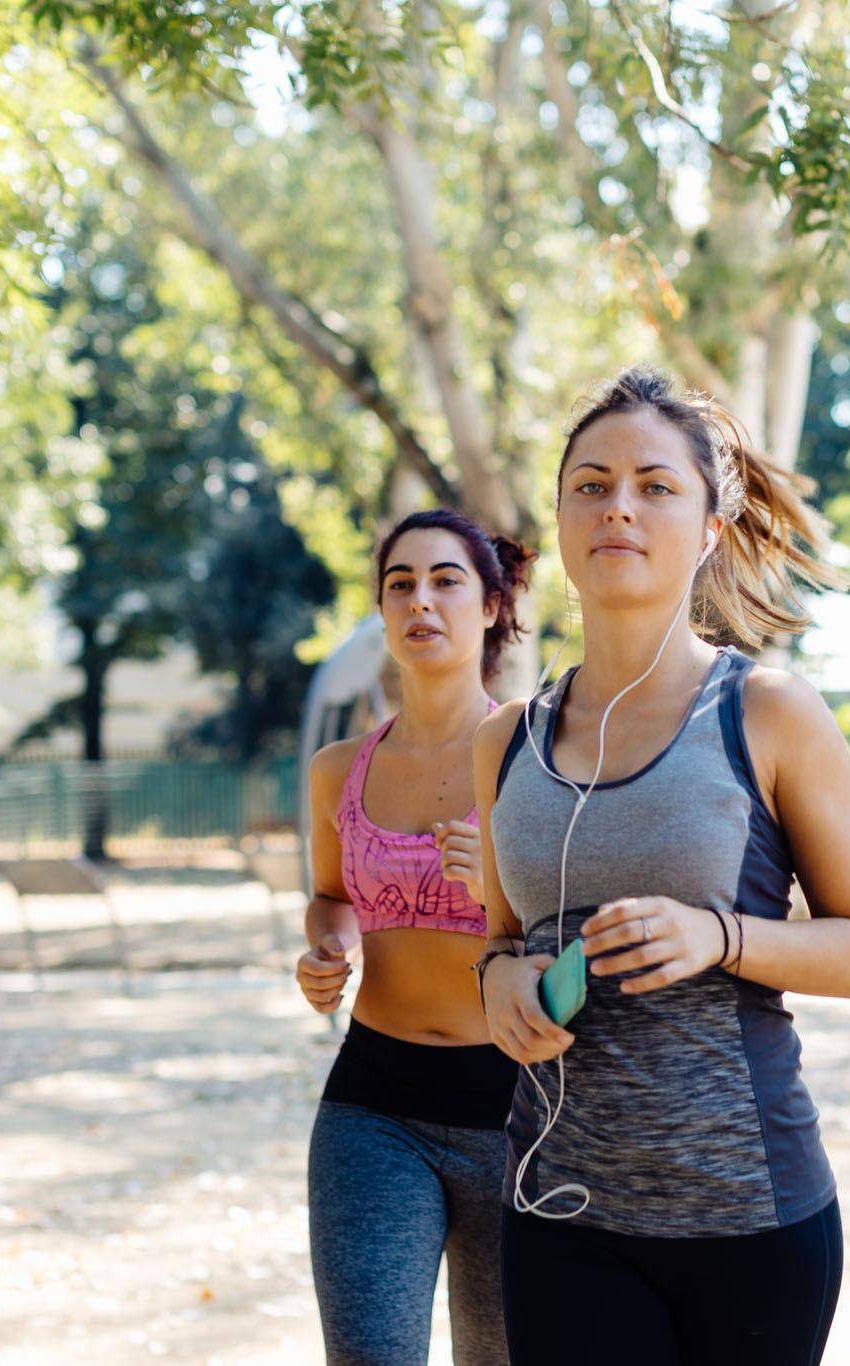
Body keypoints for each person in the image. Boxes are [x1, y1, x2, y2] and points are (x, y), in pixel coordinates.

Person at [471, 367, 850, 1366]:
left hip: (750, 1217)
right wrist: (499, 984)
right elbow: (495, 939)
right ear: (563, 517)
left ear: (708, 526)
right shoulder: (504, 743)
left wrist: (722, 936)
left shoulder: (771, 713)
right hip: (555, 1207)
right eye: (592, 483)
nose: (620, 505)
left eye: (656, 485)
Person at [297, 508, 532, 1366]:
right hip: (373, 1105)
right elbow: (329, 896)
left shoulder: (538, 755)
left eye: (446, 581)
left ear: (493, 606)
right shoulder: (337, 770)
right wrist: (331, 949)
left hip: (516, 1115)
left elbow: (577, 925)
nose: (420, 601)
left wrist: (498, 884)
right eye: (400, 584)